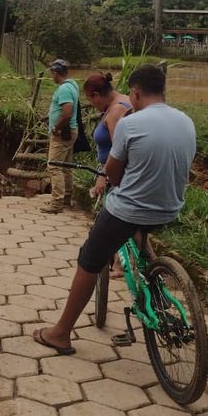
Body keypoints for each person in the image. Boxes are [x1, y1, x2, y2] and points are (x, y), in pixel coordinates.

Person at [33, 64, 196, 355]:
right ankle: (158, 291)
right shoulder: (186, 121)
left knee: (89, 259)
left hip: (131, 210)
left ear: (134, 92)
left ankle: (60, 333)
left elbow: (115, 176)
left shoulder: (130, 124)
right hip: (170, 208)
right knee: (140, 240)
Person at [83, 71, 132, 277]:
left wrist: (104, 176)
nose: (92, 104)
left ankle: (127, 264)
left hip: (118, 176)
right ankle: (125, 262)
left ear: (96, 95)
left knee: (119, 221)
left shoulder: (115, 112)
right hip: (118, 173)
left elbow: (117, 151)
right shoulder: (125, 101)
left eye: (90, 100)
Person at [43, 59, 80, 213]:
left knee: (54, 166)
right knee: (66, 167)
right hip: (70, 131)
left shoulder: (64, 89)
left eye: (52, 73)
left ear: (56, 73)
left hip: (62, 133)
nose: (52, 77)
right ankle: (66, 198)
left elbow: (67, 113)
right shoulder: (73, 85)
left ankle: (57, 203)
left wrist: (55, 127)